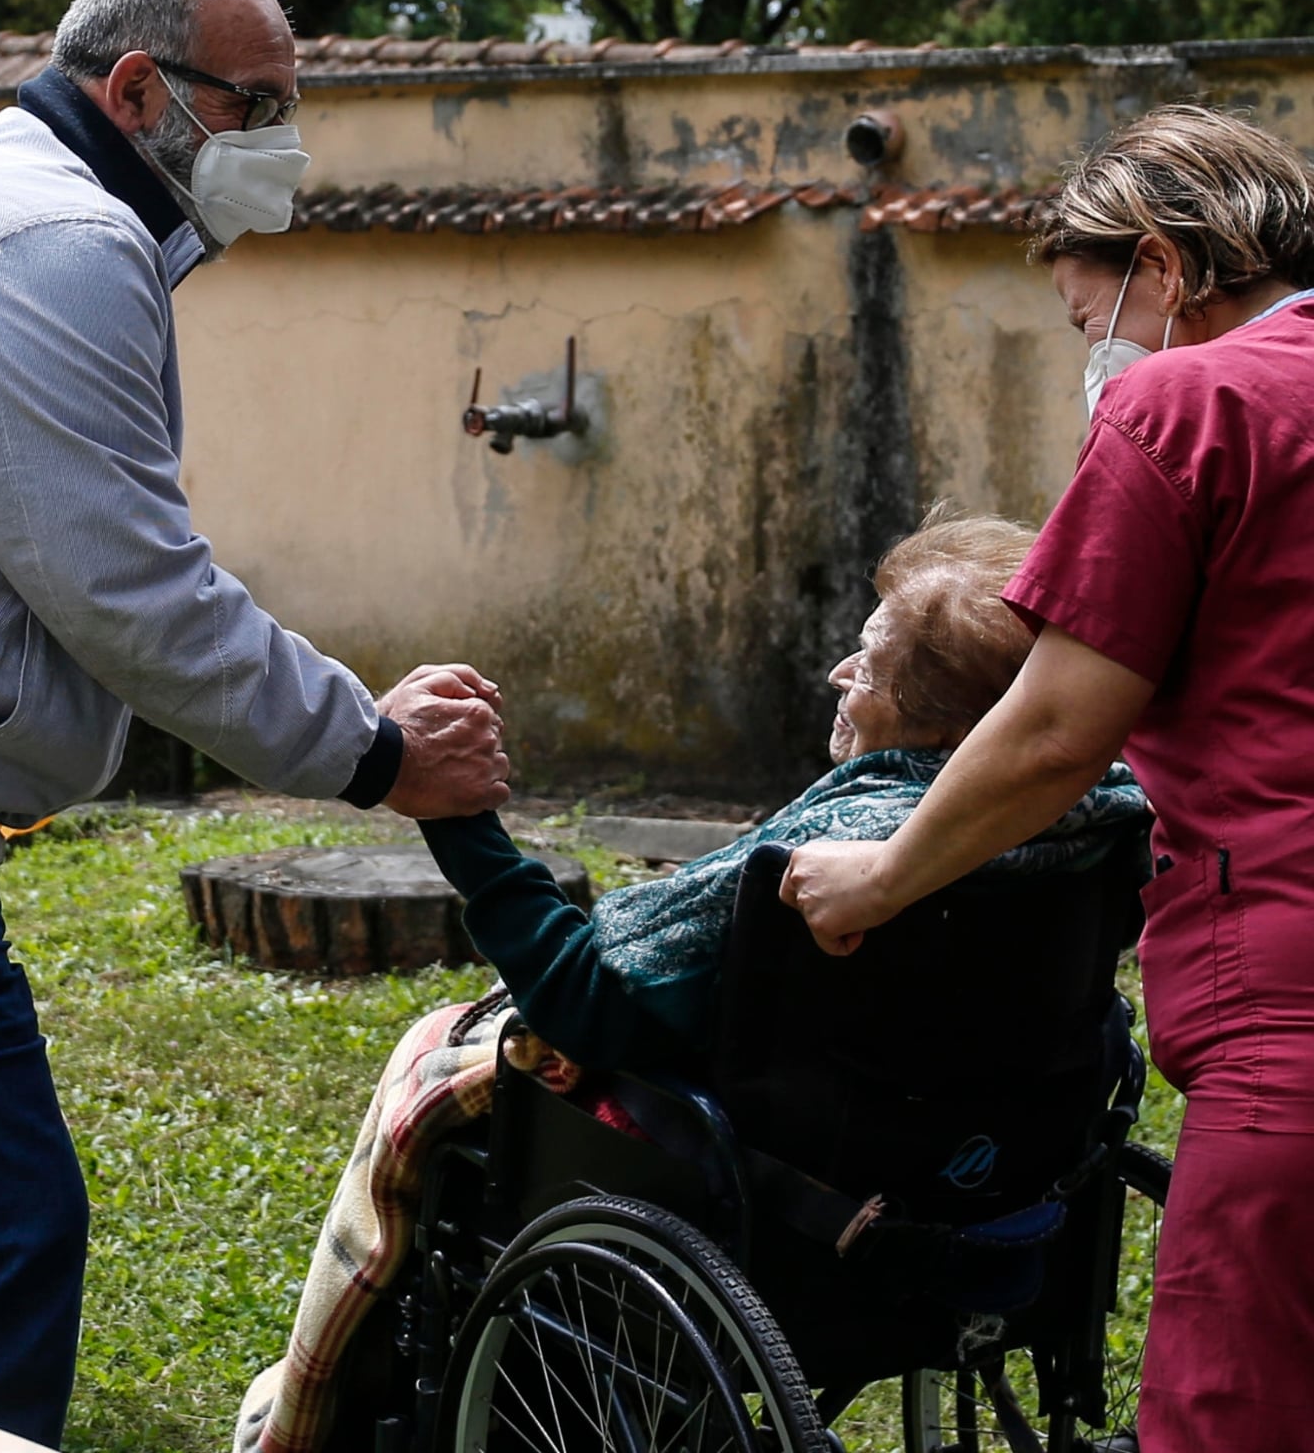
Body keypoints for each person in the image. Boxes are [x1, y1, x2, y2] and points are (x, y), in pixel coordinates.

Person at [0, 0, 507, 1447]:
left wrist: (362, 727)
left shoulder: (38, 218)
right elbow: (134, 596)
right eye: (258, 105)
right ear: (138, 87)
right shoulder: (48, 244)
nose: (286, 147)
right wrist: (378, 753)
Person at [233, 509, 1147, 1453]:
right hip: (1006, 1182)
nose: (839, 673)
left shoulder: (832, 859)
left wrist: (457, 816)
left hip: (797, 1199)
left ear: (947, 720)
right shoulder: (1102, 816)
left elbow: (585, 1001)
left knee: (439, 1049)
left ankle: (299, 1418)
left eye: (869, 664)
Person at [781, 104, 1314, 1453]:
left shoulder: (1186, 405)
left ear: (1164, 265)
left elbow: (1061, 726)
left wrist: (885, 877)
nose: (1097, 353)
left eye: (1091, 319)